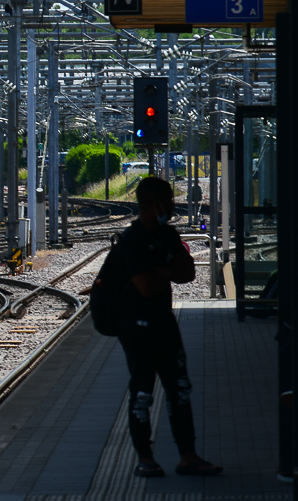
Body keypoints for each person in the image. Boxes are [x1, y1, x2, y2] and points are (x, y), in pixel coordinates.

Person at [106, 175, 222, 478]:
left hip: (164, 322)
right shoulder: (131, 241)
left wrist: (161, 270)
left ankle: (188, 456)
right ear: (156, 203)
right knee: (142, 393)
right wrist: (166, 269)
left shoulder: (167, 235)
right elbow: (147, 287)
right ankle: (145, 458)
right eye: (170, 201)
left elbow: (188, 274)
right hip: (136, 328)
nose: (173, 206)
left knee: (180, 390)